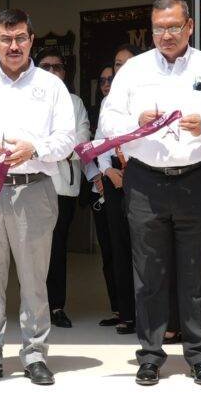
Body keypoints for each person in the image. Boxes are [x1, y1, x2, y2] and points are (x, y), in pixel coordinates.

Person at [100, 0, 201, 386]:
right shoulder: (133, 70)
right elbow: (109, 118)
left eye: (173, 27)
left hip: (197, 177)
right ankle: (150, 354)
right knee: (149, 272)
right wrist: (135, 121)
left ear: (190, 27)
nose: (166, 35)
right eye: (159, 28)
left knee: (197, 271)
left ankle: (200, 355)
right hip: (145, 179)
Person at [0, 9, 75, 386]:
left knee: (35, 280)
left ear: (31, 39)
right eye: (6, 39)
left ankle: (35, 354)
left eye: (20, 37)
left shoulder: (51, 87)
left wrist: (35, 148)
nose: (14, 45)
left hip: (35, 189)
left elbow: (67, 138)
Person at [35, 47, 91, 329]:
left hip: (63, 187)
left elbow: (80, 138)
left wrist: (52, 148)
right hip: (32, 184)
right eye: (45, 66)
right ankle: (34, 308)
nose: (52, 72)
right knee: (32, 249)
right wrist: (53, 147)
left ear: (65, 72)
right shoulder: (28, 99)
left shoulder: (74, 102)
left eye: (57, 67)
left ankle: (56, 306)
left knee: (57, 247)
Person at [97, 44, 140, 336]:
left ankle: (147, 314)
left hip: (142, 175)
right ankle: (125, 312)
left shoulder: (149, 94)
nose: (121, 68)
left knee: (145, 250)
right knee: (119, 248)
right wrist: (106, 170)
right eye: (117, 63)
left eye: (127, 63)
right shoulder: (108, 101)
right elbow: (101, 139)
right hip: (114, 178)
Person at [86, 65, 119, 326]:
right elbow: (92, 145)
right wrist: (97, 174)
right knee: (109, 250)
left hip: (124, 180)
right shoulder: (100, 108)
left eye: (112, 78)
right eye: (103, 80)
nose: (107, 83)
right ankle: (118, 308)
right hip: (101, 185)